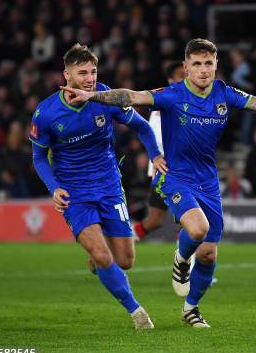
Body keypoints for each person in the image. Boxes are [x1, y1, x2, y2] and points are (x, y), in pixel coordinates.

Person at [61, 38, 256, 327]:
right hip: (174, 176)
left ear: (216, 66)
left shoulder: (225, 94)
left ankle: (190, 309)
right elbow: (132, 96)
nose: (203, 70)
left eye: (208, 64)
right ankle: (180, 257)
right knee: (198, 229)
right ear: (186, 68)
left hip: (207, 181)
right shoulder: (173, 94)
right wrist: (92, 97)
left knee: (209, 254)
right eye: (197, 64)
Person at [29, 43, 166, 328]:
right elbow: (39, 157)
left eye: (93, 71)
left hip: (109, 187)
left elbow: (141, 126)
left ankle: (96, 261)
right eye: (83, 73)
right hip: (75, 193)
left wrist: (155, 154)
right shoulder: (47, 113)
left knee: (126, 260)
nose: (90, 78)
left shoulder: (106, 97)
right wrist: (54, 187)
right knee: (104, 254)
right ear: (66, 75)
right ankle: (137, 312)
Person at [132, 62, 186, 241]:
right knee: (182, 219)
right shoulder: (164, 104)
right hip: (167, 169)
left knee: (156, 220)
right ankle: (122, 241)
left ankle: (124, 239)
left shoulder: (186, 101)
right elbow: (155, 138)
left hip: (178, 168)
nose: (185, 78)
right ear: (170, 80)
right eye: (180, 75)